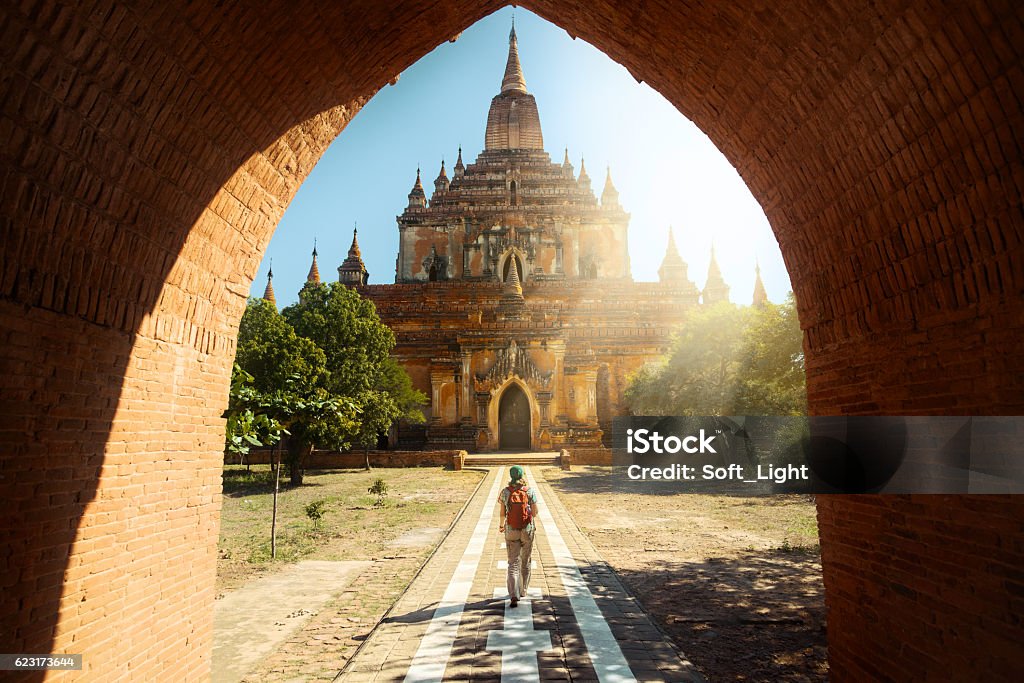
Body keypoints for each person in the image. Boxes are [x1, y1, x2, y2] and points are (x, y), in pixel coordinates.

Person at [498, 465, 539, 607]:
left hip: (511, 529)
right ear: (522, 475)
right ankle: (523, 590)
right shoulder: (529, 491)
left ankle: (513, 594)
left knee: (513, 562)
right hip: (527, 529)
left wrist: (501, 525)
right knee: (525, 560)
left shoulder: (505, 492)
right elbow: (534, 513)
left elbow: (502, 513)